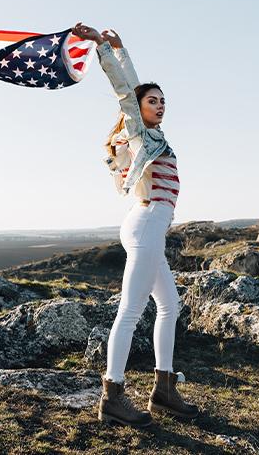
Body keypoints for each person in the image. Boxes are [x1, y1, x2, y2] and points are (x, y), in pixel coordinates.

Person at [71, 22, 199, 427]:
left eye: (164, 101)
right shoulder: (140, 134)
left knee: (170, 306)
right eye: (154, 101)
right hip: (146, 224)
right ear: (139, 111)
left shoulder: (155, 139)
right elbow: (128, 90)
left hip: (150, 226)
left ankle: (163, 390)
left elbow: (136, 89)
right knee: (129, 312)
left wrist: (121, 45)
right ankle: (112, 395)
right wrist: (105, 50)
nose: (161, 105)